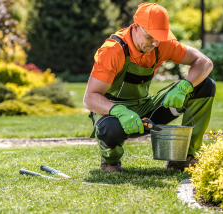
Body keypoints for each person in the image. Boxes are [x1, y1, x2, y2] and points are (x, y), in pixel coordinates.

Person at [83, 3, 215, 172]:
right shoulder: (113, 51)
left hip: (146, 110)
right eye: (150, 37)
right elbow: (90, 98)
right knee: (110, 129)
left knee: (205, 85)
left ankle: (183, 158)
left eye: (159, 37)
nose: (155, 43)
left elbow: (205, 62)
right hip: (113, 115)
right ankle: (110, 162)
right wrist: (120, 111)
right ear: (136, 27)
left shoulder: (160, 44)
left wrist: (185, 86)